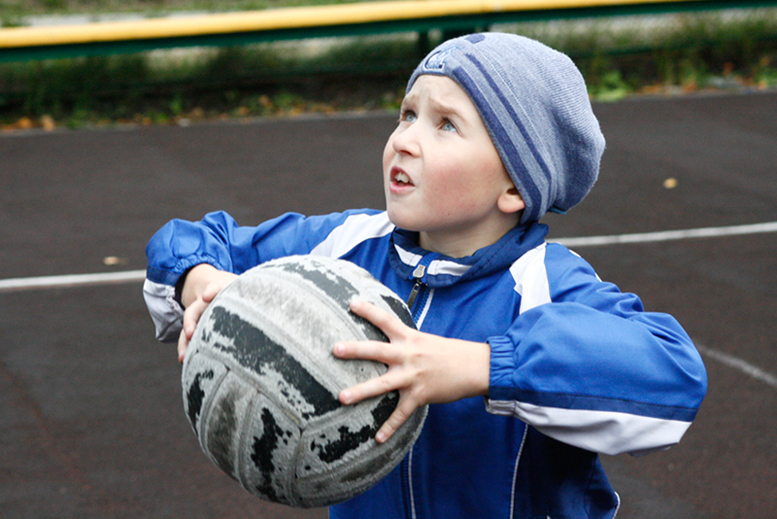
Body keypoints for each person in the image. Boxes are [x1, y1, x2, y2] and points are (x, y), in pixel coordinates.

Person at [144, 33, 707, 518]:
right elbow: (192, 241)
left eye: (445, 125)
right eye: (408, 114)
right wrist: (201, 279)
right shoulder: (342, 248)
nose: (405, 139)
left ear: (514, 187)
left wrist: (483, 366)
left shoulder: (544, 285)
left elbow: (673, 374)